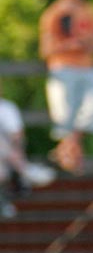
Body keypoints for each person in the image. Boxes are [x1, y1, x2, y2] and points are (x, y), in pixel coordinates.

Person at [38, 0, 93, 173]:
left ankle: (66, 155)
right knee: (64, 116)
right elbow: (46, 49)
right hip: (63, 68)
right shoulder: (54, 14)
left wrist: (85, 43)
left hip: (87, 68)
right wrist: (70, 45)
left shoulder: (88, 12)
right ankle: (71, 158)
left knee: (89, 114)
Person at [0, 84, 55, 217]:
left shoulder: (7, 108)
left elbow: (17, 136)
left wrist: (16, 152)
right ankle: (24, 171)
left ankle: (21, 171)